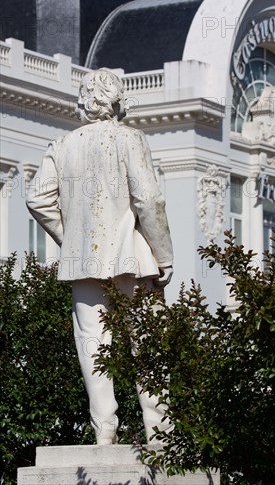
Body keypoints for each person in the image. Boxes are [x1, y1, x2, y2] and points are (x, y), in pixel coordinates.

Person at [26, 68, 174, 445]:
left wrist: (70, 238)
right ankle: (159, 433)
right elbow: (149, 199)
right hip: (133, 258)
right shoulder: (130, 139)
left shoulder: (62, 145)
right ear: (117, 101)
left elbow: (36, 198)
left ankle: (104, 429)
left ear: (83, 101)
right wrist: (164, 254)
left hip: (83, 263)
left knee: (92, 344)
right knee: (147, 344)